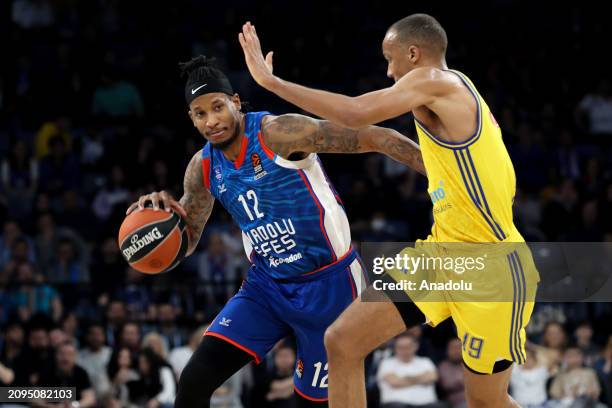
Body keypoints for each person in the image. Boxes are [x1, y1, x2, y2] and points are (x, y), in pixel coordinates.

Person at [239, 13, 539, 408]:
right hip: (443, 253)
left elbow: (355, 112)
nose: (388, 70)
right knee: (342, 341)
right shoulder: (452, 93)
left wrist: (272, 83)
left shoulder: (435, 80)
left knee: (487, 403)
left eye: (390, 58)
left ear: (413, 53)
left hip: (491, 266)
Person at [126, 55, 425, 407]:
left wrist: (448, 177)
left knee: (312, 402)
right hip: (266, 287)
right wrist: (166, 220)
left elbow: (374, 136)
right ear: (191, 119)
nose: (212, 121)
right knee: (193, 381)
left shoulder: (277, 133)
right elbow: (186, 242)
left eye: (218, 107)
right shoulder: (202, 167)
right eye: (200, 113)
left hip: (329, 285)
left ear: (235, 103)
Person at [376, 333, 441, 408]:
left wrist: (405, 379)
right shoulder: (386, 363)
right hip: (396, 405)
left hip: (428, 405)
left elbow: (433, 377)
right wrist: (421, 378)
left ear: (415, 346)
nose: (404, 350)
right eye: (400, 347)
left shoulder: (425, 361)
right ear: (395, 348)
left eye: (408, 347)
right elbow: (395, 382)